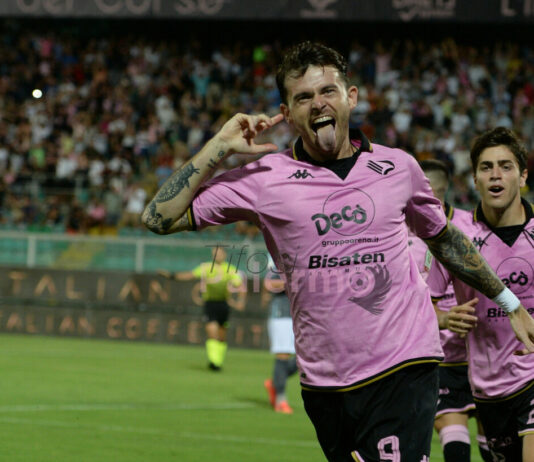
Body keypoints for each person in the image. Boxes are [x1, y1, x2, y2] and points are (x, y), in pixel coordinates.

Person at [142, 42, 534, 462]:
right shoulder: (264, 178)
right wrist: (220, 144)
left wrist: (509, 302)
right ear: (287, 113)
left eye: (328, 91)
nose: (317, 104)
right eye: (303, 97)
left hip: (403, 365)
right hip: (324, 383)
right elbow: (159, 217)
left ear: (352, 97)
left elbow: (445, 238)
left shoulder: (399, 167)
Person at [427, 127, 534, 462]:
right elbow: (423, 307)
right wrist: (445, 318)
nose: (495, 174)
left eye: (505, 166)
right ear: (475, 179)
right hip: (490, 389)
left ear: (523, 176)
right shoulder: (457, 240)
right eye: (486, 167)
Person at [408, 159, 491, 462]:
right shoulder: (397, 235)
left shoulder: (472, 229)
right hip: (438, 359)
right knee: (455, 444)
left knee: (495, 445)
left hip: (482, 355)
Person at [158, 246, 245, 371]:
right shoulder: (206, 268)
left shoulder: (230, 269)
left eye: (219, 253)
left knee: (221, 336)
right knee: (212, 332)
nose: (217, 256)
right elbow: (189, 275)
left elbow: (239, 285)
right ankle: (214, 362)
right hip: (210, 304)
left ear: (224, 255)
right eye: (214, 253)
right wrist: (171, 276)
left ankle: (218, 361)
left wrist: (240, 300)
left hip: (223, 304)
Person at [262, 258, 298, 414]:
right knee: (283, 354)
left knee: (306, 357)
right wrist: (294, 283)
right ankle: (280, 400)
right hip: (281, 314)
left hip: (301, 316)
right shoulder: (280, 263)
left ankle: (276, 382)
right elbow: (269, 284)